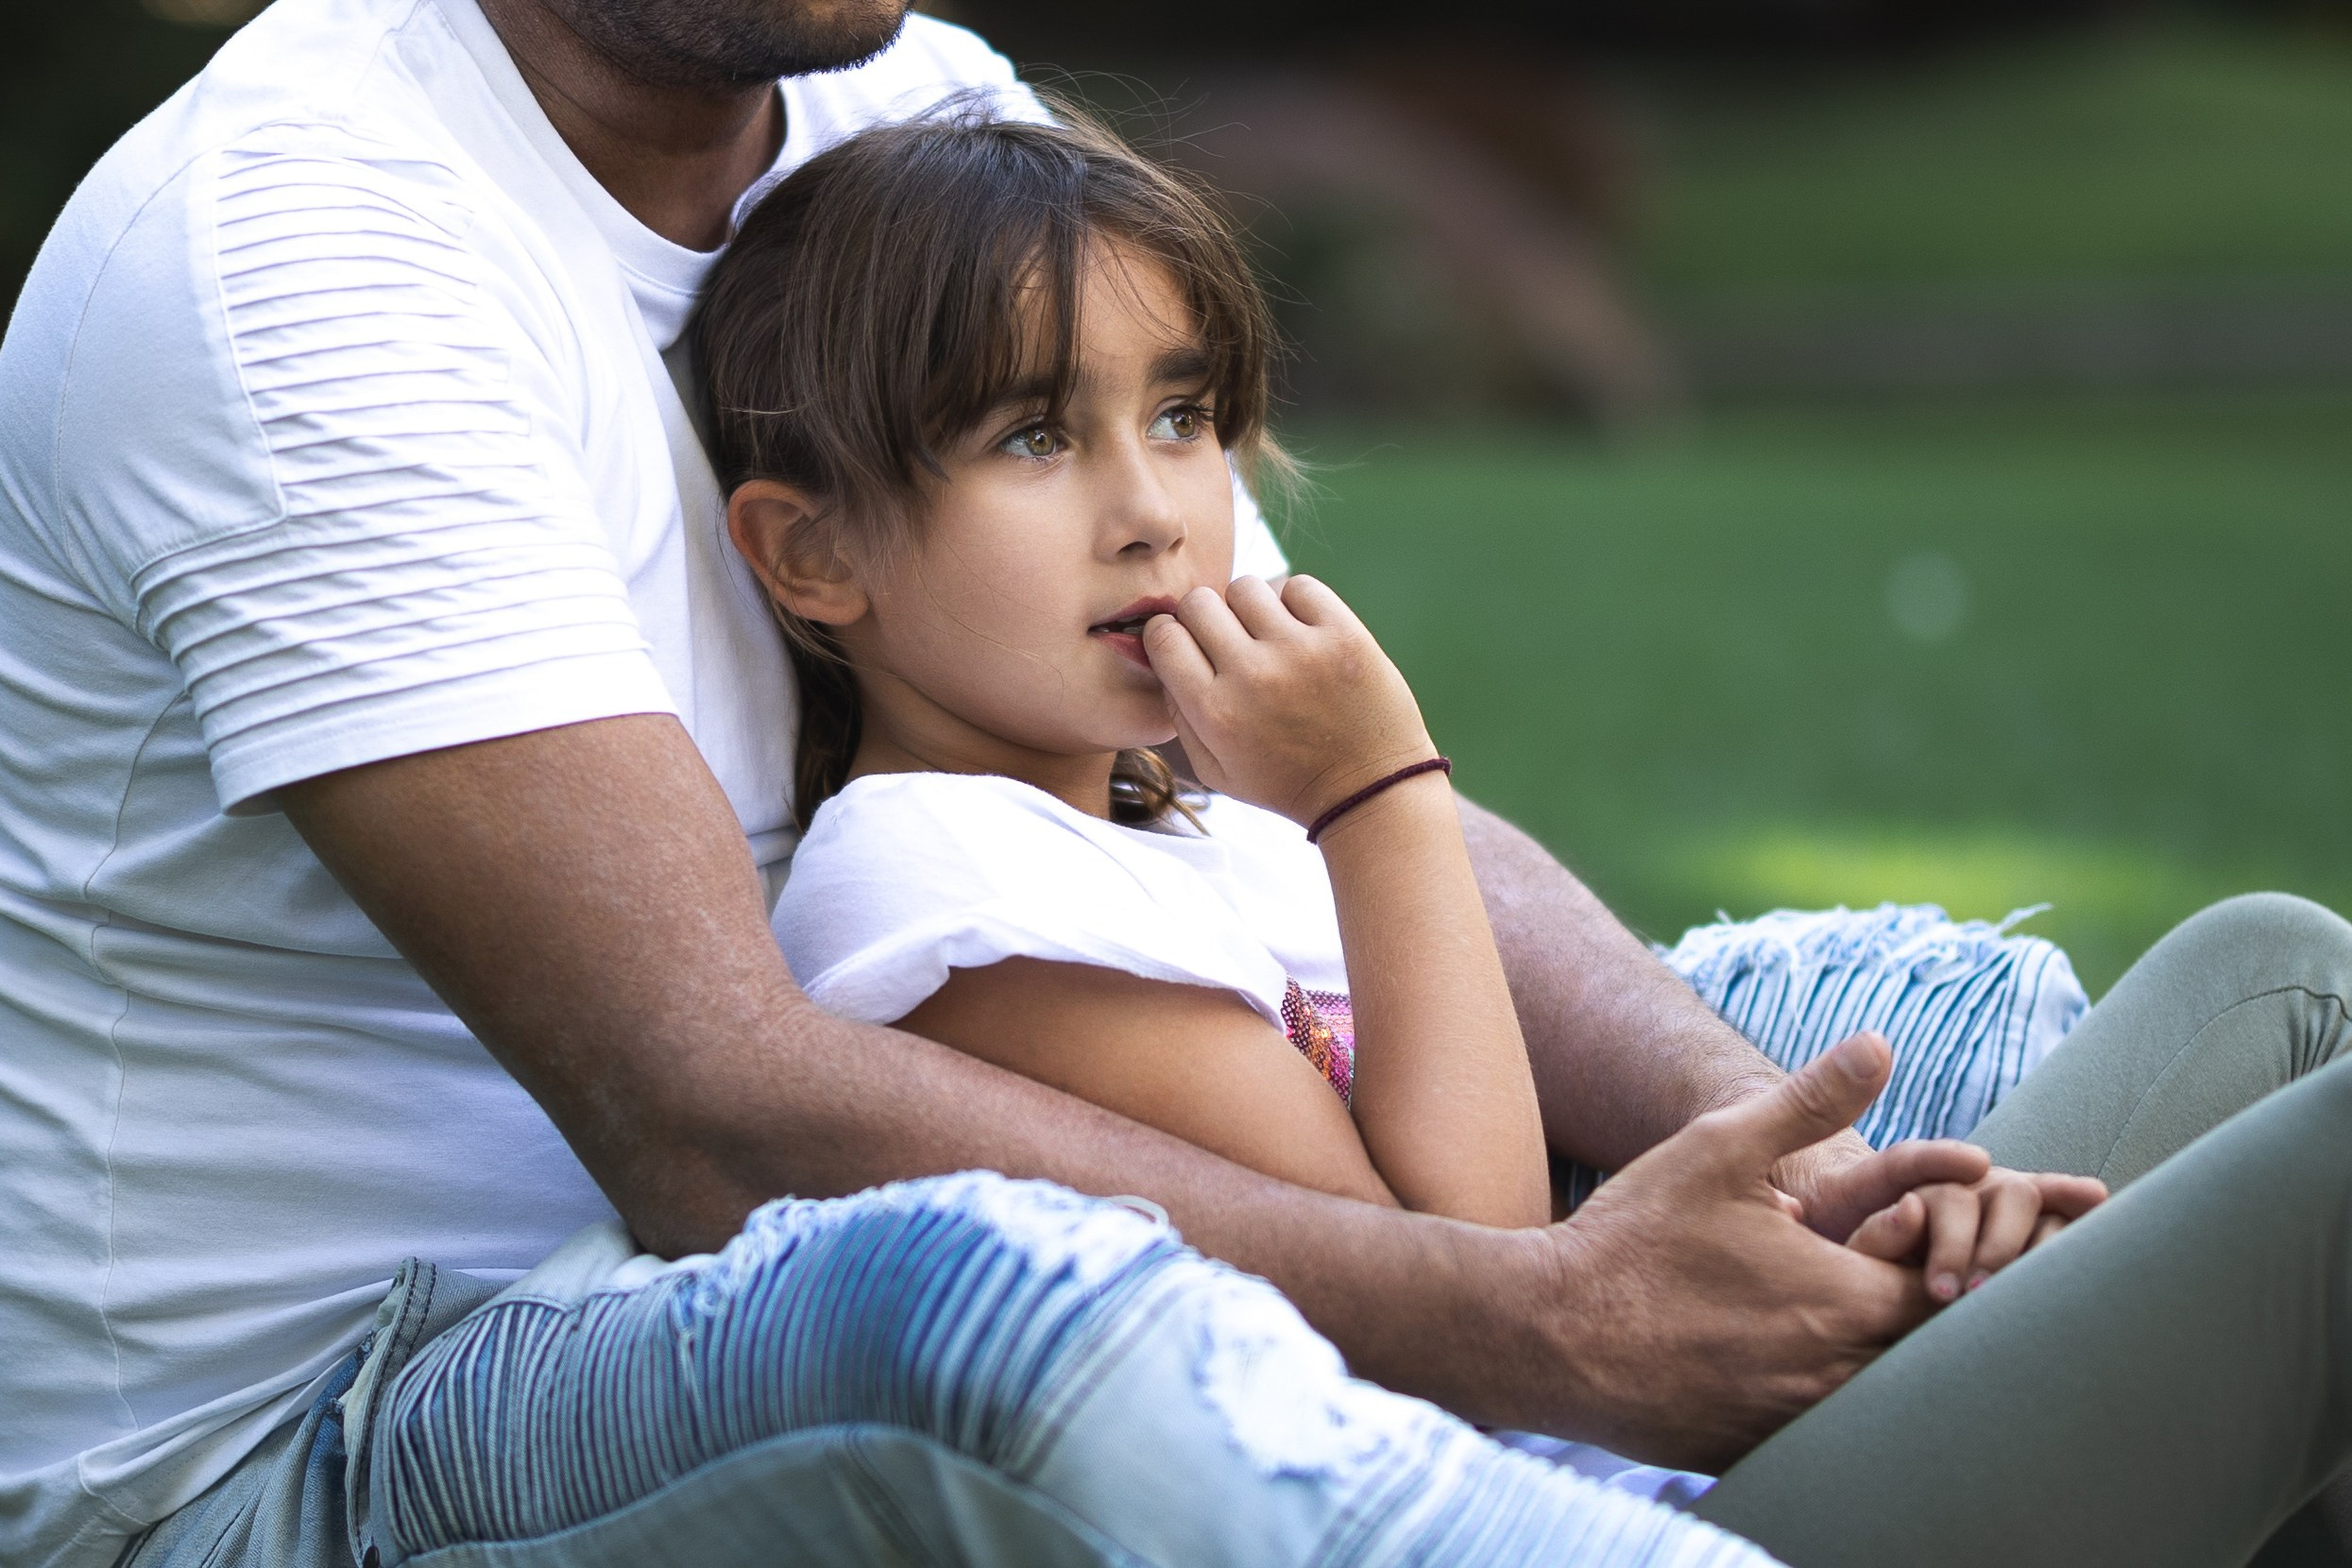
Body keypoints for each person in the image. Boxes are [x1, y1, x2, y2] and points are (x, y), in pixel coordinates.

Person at [3, 1, 2350, 1565]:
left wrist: (1819, 1186)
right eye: (1043, 435)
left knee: (2096, 1014)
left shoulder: (919, 105)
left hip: (1188, 1111)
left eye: (1177, 423)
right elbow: (718, 1119)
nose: (1148, 495)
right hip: (335, 1422)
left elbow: (1269, 756)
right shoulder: (302, 240)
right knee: (989, 1292)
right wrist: (1559, 1317)